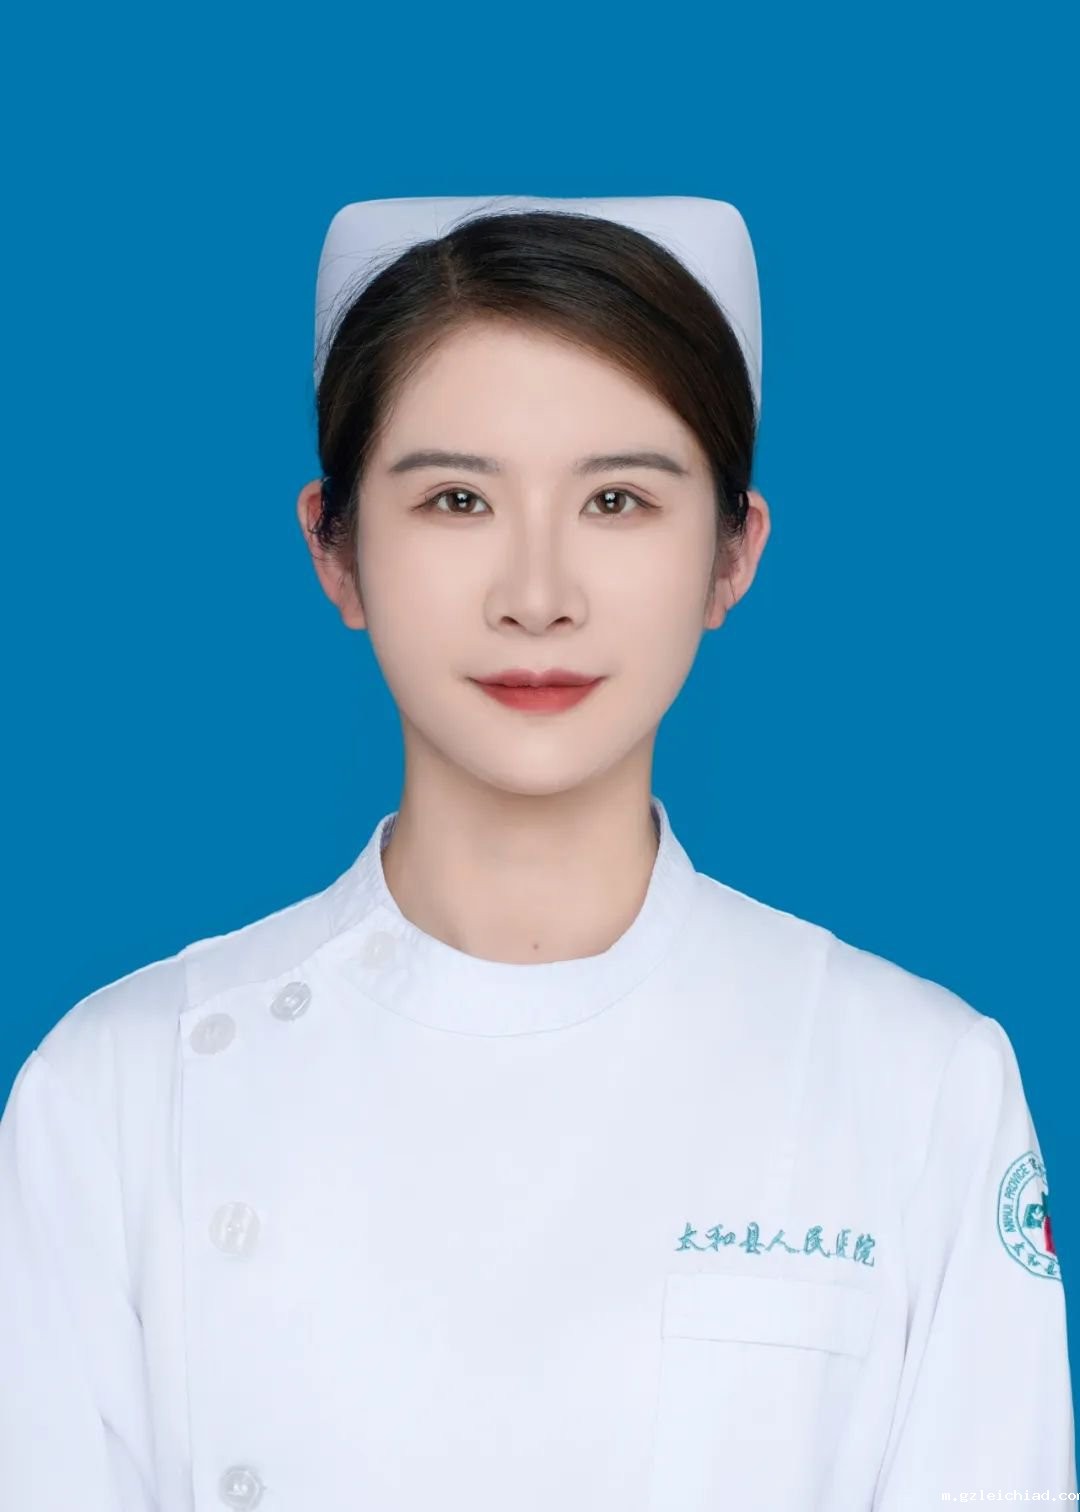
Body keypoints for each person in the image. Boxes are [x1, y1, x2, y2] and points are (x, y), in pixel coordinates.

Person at [0, 194, 1074, 1512]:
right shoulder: (114, 1097)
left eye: (618, 500)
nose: (537, 594)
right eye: (457, 499)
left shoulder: (921, 1088)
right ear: (335, 549)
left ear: (732, 554)